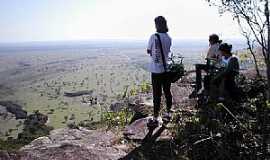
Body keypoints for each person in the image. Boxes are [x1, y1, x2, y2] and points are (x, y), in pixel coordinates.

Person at [147, 16, 172, 126]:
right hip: (166, 69)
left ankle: (156, 118)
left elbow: (149, 50)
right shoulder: (168, 37)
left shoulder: (154, 36)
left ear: (157, 25)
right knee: (167, 91)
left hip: (156, 70)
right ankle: (168, 113)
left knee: (156, 94)